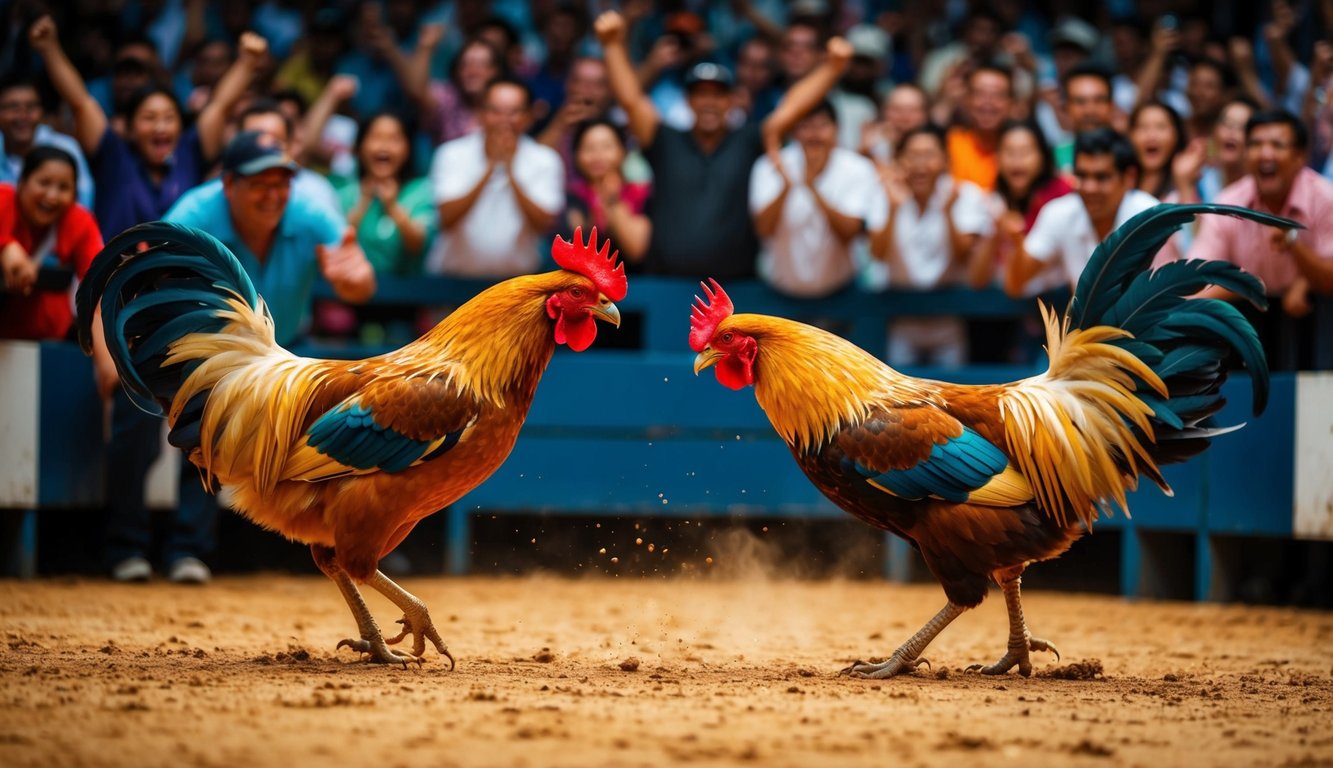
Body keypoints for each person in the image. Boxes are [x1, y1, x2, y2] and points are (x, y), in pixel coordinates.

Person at [101, 131, 376, 585]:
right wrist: (119, 346)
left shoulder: (308, 212)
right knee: (142, 423)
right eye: (259, 183)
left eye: (281, 183)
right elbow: (140, 270)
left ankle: (188, 552)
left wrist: (353, 278)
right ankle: (124, 547)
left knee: (218, 441)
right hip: (195, 345)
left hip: (279, 356)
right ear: (228, 183)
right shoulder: (195, 213)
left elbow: (361, 277)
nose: (273, 195)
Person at [594, 9, 851, 280]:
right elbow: (631, 101)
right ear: (688, 101)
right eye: (700, 94)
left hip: (734, 290)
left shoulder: (749, 140)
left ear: (730, 101)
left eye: (718, 95)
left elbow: (792, 108)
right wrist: (612, 45)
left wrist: (832, 68)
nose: (709, 103)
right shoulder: (665, 139)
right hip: (666, 284)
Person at [28, 16, 264, 240]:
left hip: (179, 279)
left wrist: (247, 61)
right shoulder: (113, 155)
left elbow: (220, 106)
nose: (160, 126)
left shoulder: (189, 153)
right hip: (116, 278)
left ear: (181, 127)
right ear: (128, 129)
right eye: (149, 118)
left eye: (169, 117)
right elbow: (80, 102)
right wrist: (49, 48)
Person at [1188, 110, 1333, 370]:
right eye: (1255, 144)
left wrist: (1295, 248)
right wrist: (1243, 284)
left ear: (1300, 156)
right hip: (1248, 316)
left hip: (1315, 319)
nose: (1266, 154)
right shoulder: (1227, 204)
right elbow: (1198, 283)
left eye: (1277, 145)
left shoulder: (1325, 199)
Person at [872, 123, 993, 367]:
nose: (920, 164)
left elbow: (963, 257)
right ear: (899, 160)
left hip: (948, 317)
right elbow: (877, 254)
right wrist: (894, 210)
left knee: (951, 398)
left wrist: (948, 213)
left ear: (945, 160)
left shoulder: (964, 194)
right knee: (900, 400)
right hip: (901, 317)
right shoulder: (884, 193)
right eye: (912, 155)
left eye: (929, 155)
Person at [427, 77, 563, 278]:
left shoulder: (545, 160)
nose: (504, 120)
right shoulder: (451, 153)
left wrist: (510, 171)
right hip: (452, 281)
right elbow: (446, 219)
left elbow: (544, 226)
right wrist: (490, 168)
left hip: (515, 287)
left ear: (528, 116)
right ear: (481, 113)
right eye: (496, 111)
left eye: (514, 112)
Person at [750, 99, 883, 298]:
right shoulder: (770, 165)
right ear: (794, 132)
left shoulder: (858, 168)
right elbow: (763, 229)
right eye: (805, 126)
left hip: (841, 293)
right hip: (779, 294)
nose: (814, 134)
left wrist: (813, 187)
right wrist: (786, 188)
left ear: (836, 130)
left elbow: (850, 233)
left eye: (822, 126)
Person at [1005, 127, 1159, 294]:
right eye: (1082, 176)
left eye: (1102, 177)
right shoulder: (1060, 212)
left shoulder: (1151, 216)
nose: (1089, 188)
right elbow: (1015, 286)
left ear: (1129, 177)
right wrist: (1017, 240)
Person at [0, 147, 103, 341]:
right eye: (44, 183)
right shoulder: (3, 198)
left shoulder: (80, 222)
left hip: (48, 343)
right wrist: (5, 245)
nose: (52, 196)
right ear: (21, 183)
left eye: (64, 188)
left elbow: (99, 283)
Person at [971, 120, 1074, 297]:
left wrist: (1016, 239)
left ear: (1042, 157)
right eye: (1009, 152)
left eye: (1025, 152)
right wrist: (995, 232)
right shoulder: (992, 201)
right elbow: (977, 279)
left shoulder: (1064, 196)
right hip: (1003, 309)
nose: (1016, 160)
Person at [340, 111, 435, 276]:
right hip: (349, 296)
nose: (384, 146)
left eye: (394, 139)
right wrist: (363, 203)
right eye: (376, 137)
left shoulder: (420, 190)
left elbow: (418, 245)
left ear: (408, 148)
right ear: (360, 146)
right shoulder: (346, 192)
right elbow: (336, 246)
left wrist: (392, 207)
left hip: (408, 297)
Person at [0, 74, 95, 209]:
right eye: (13, 107)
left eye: (31, 107)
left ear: (41, 111)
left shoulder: (64, 148)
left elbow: (82, 207)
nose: (22, 115)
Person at [566, 118, 651, 266]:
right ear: (577, 156)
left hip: (636, 282)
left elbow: (635, 250)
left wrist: (612, 200)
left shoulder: (639, 193)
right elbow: (577, 249)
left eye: (606, 147)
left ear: (623, 151)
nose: (598, 155)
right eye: (589, 148)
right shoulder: (572, 196)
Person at [947, 64, 1014, 192]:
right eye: (979, 94)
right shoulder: (949, 144)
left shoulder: (1023, 149)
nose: (988, 102)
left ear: (1011, 102)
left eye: (997, 95)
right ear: (966, 99)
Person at [1050, 64, 1117, 171]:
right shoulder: (1051, 161)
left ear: (1112, 105)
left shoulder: (1131, 154)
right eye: (1080, 102)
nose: (1090, 110)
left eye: (1099, 100)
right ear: (1066, 108)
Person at [1129, 99, 1187, 200]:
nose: (1151, 136)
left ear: (1177, 136)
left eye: (1161, 127)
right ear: (1130, 135)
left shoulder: (1187, 187)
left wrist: (1185, 183)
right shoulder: (1118, 185)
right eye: (1143, 127)